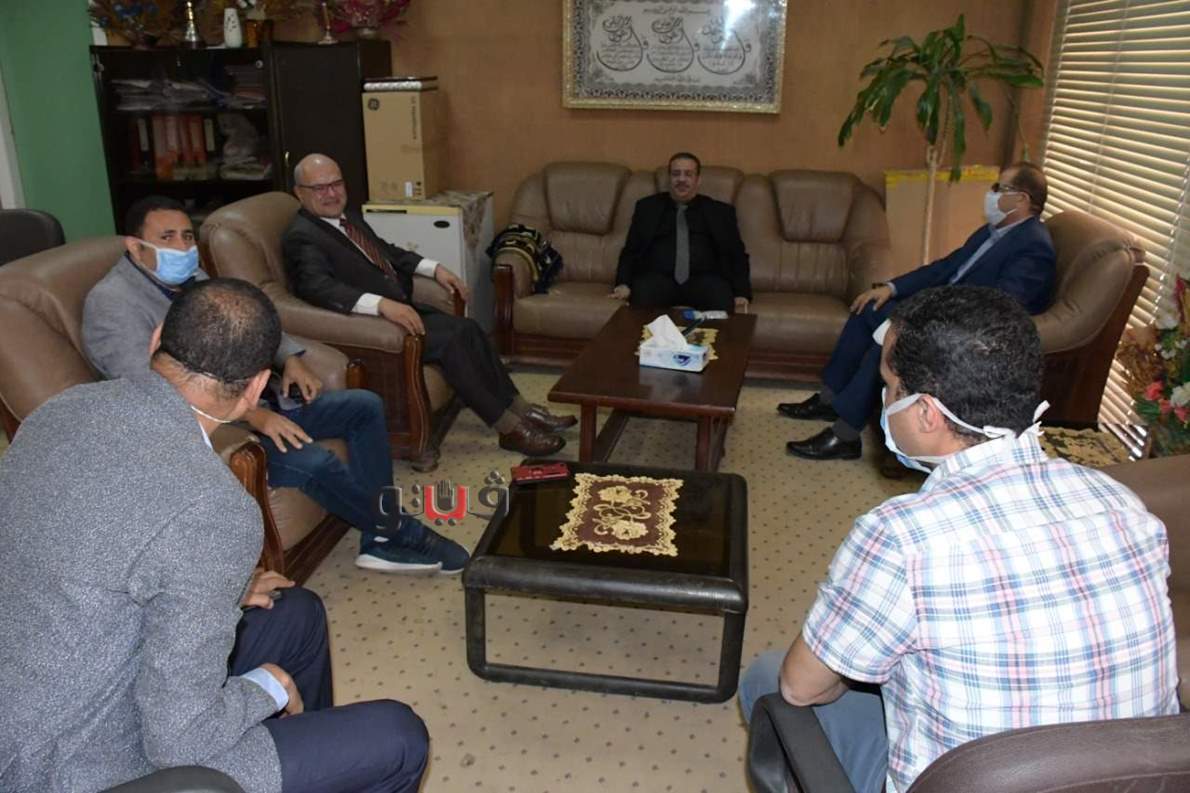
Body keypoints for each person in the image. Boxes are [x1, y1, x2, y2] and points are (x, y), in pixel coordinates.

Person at [739, 286, 1178, 793]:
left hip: (965, 781)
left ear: (926, 414)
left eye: (890, 387)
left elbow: (802, 688)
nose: (884, 400)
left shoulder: (902, 537)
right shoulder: (1119, 502)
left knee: (770, 676)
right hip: (1128, 781)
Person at [0, 279, 429, 793]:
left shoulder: (57, 411)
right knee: (399, 737)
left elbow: (100, 554)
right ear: (256, 388)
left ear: (156, 338)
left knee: (297, 612)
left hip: (33, 707)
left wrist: (223, 589)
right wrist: (267, 688)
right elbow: (179, 742)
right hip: (76, 767)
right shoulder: (214, 510)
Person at [82, 195, 467, 576]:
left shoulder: (189, 276)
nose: (182, 248)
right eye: (167, 238)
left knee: (363, 406)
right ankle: (404, 533)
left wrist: (291, 359)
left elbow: (246, 318)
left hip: (254, 400)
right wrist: (253, 416)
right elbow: (155, 392)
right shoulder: (112, 304)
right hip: (203, 432)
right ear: (135, 246)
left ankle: (379, 540)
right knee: (316, 461)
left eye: (187, 236)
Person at [282, 154, 575, 456]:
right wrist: (381, 305)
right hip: (374, 326)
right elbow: (316, 287)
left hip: (401, 309)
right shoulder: (302, 237)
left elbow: (387, 252)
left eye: (336, 184)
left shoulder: (347, 217)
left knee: (469, 329)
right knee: (452, 343)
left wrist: (434, 269)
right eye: (320, 188)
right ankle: (509, 428)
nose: (331, 194)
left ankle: (522, 409)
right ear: (299, 193)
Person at [782, 162, 1056, 461]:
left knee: (892, 343)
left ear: (1021, 199)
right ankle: (829, 399)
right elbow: (945, 267)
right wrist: (891, 288)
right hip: (940, 310)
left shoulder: (1033, 246)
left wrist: (931, 315)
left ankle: (845, 434)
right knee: (868, 307)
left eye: (999, 189)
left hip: (961, 328)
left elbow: (1002, 305)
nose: (991, 195)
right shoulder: (992, 232)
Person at [611, 151, 751, 312]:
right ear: (669, 178)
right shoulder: (647, 208)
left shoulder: (720, 212)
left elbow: (737, 255)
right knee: (639, 302)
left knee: (722, 303)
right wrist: (623, 284)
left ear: (698, 180)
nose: (681, 179)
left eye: (688, 174)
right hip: (657, 279)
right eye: (676, 174)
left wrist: (741, 292)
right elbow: (631, 250)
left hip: (705, 280)